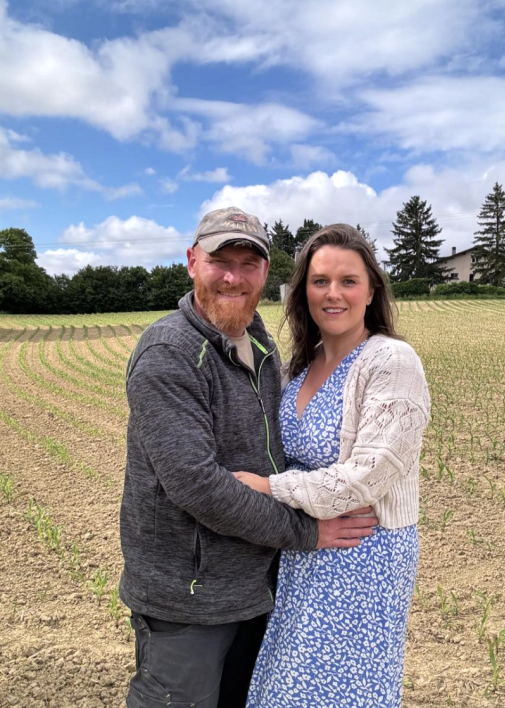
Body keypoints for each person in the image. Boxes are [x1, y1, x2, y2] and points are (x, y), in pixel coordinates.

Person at [119, 207, 378, 708]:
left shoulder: (257, 341)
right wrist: (307, 532)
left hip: (256, 586)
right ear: (193, 261)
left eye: (249, 263)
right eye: (221, 261)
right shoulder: (169, 353)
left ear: (266, 273)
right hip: (187, 601)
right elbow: (199, 486)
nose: (234, 277)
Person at [234, 223, 431, 708]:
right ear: (302, 291)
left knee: (340, 689)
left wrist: (268, 488)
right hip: (302, 544)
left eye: (348, 281)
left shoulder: (391, 360)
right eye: (320, 281)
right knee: (286, 679)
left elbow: (369, 476)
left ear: (371, 291)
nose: (333, 293)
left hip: (363, 549)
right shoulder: (299, 365)